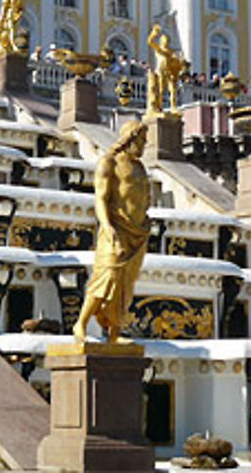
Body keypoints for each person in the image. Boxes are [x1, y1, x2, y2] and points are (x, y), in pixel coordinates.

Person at [73, 120, 151, 343]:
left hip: (137, 233)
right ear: (130, 139)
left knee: (126, 284)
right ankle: (81, 324)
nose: (144, 145)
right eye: (142, 140)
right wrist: (107, 227)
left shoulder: (140, 167)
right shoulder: (109, 163)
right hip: (115, 230)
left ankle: (114, 334)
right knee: (106, 277)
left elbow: (145, 198)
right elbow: (101, 199)